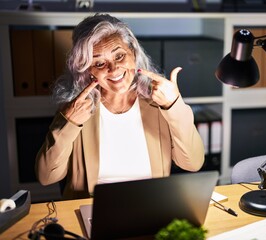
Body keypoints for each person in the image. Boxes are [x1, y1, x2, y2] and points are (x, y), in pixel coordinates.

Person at [35, 13, 205, 200]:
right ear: (87, 70)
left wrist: (174, 106)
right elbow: (47, 177)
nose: (114, 69)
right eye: (99, 63)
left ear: (133, 53)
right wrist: (68, 123)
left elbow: (193, 163)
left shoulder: (160, 103)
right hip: (91, 211)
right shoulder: (76, 110)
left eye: (119, 55)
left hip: (151, 205)